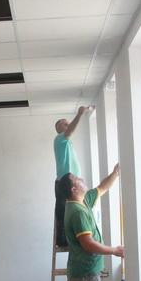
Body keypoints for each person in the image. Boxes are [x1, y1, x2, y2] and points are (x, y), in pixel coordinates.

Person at [53, 106, 92, 247]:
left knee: (74, 210)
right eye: (65, 123)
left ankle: (75, 238)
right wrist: (80, 114)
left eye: (67, 123)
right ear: (58, 128)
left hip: (71, 182)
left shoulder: (67, 143)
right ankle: (63, 241)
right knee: (65, 212)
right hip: (65, 182)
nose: (68, 125)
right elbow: (69, 131)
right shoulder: (59, 139)